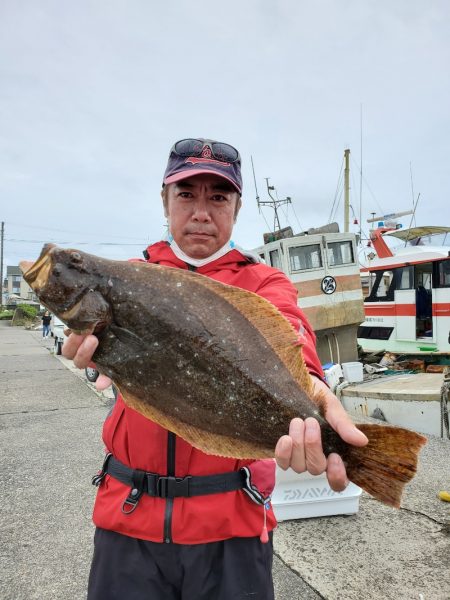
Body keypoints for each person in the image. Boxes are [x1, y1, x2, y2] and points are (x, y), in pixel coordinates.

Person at [63, 138, 368, 600]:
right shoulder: (128, 278)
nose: (201, 211)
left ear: (237, 208)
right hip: (128, 519)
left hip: (231, 525)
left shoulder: (264, 281)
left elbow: (290, 334)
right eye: (186, 194)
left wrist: (313, 389)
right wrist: (86, 349)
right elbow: (96, 346)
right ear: (164, 201)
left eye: (218, 197)